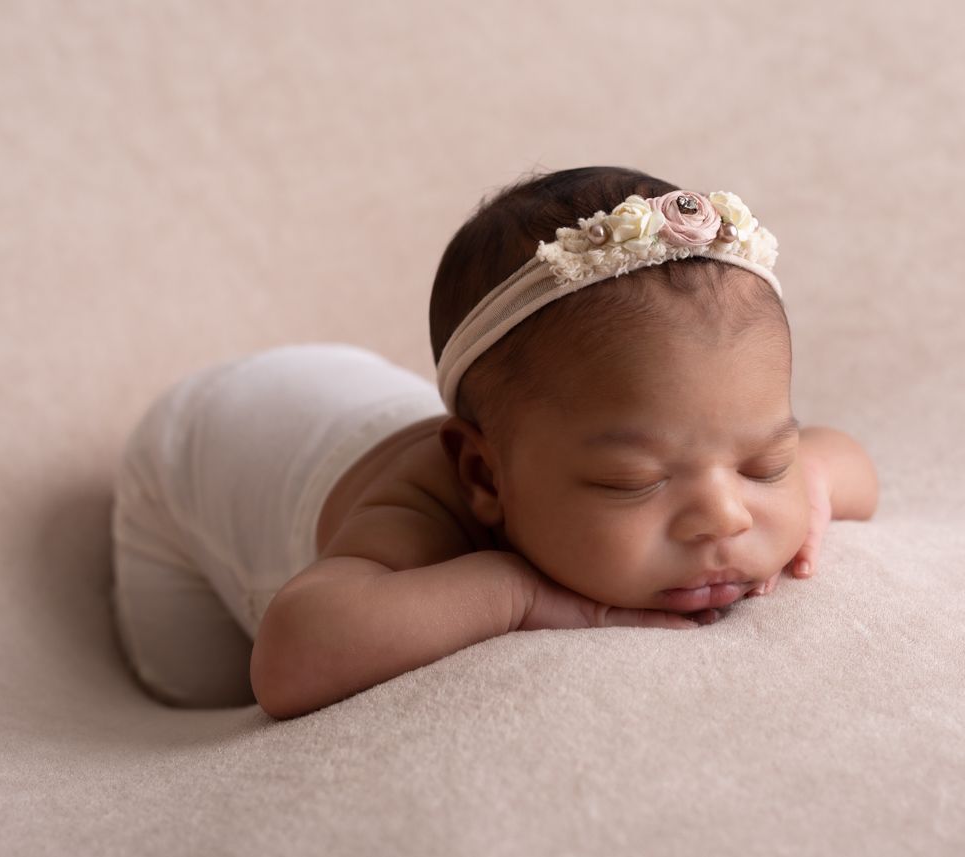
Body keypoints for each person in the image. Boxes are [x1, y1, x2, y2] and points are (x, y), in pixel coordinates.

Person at [109, 166, 879, 720]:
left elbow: (847, 461)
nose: (726, 516)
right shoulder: (422, 514)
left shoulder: (609, 439)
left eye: (760, 463)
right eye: (633, 480)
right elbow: (288, 658)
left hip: (343, 389)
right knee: (198, 691)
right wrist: (514, 592)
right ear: (482, 473)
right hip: (191, 455)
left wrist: (805, 483)